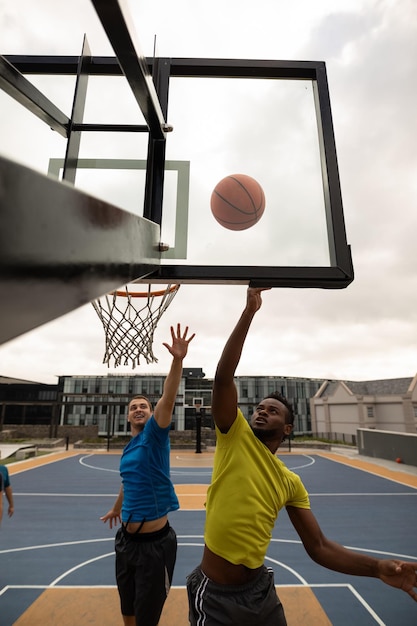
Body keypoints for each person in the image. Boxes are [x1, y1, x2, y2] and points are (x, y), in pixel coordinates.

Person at [187, 288, 417, 625]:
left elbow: (320, 546)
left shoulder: (290, 483)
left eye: (273, 411)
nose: (262, 413)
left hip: (260, 592)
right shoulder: (234, 436)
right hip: (217, 597)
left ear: (288, 428)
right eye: (259, 409)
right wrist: (249, 310)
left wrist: (377, 567)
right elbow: (223, 378)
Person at [101, 323, 195, 626]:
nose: (138, 409)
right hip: (125, 541)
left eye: (144, 406)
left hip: (155, 546)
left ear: (151, 412)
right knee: (126, 608)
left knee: (146, 616)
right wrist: (117, 508)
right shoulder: (129, 449)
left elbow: (167, 397)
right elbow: (127, 482)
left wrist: (177, 360)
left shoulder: (154, 436)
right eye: (133, 407)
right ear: (128, 415)